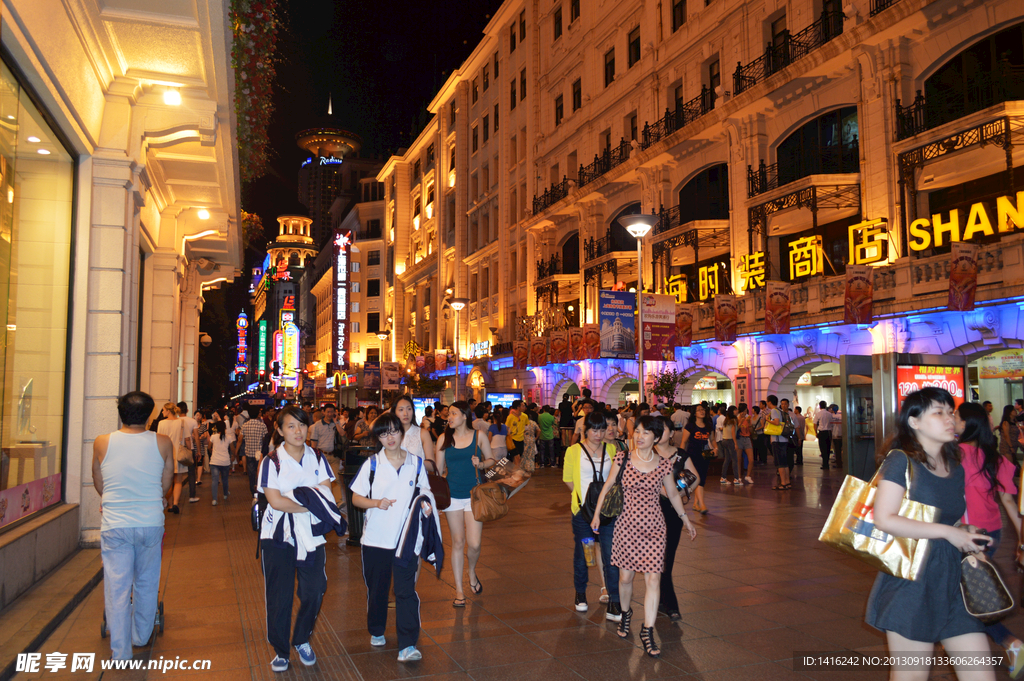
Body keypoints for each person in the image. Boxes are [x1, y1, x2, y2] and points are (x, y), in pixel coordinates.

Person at [866, 388, 996, 681]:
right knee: (912, 676)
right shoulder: (901, 460)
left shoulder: (956, 466)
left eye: (951, 412)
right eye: (938, 412)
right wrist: (948, 533)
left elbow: (948, 520)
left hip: (955, 579)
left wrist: (964, 532)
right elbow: (884, 518)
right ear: (914, 421)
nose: (950, 418)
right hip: (913, 582)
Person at [590, 416, 696, 658]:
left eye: (645, 432)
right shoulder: (623, 458)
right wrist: (596, 515)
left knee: (653, 580)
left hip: (654, 528)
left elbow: (672, 493)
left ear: (656, 438)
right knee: (625, 579)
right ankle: (626, 614)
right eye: (637, 431)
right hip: (626, 527)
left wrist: (685, 519)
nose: (639, 436)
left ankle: (647, 630)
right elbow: (607, 486)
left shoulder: (663, 464)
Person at [92, 391, 174, 660]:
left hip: (115, 524)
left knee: (117, 586)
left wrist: (113, 499)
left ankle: (120, 650)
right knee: (147, 582)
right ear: (150, 414)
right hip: (150, 521)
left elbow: (99, 481)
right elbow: (166, 483)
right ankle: (141, 636)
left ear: (121, 413)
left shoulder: (102, 442)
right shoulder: (162, 443)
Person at [351, 412, 436, 663]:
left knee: (405, 591)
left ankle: (407, 644)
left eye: (394, 431)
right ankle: (377, 629)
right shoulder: (373, 464)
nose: (390, 437)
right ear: (378, 437)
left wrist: (427, 505)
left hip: (405, 540)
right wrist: (376, 502)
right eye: (383, 433)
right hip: (376, 540)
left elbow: (426, 491)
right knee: (377, 590)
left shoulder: (416, 463)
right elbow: (356, 498)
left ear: (402, 432)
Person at [257, 406, 336, 672]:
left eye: (302, 425)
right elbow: (275, 501)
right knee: (279, 596)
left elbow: (326, 490)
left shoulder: (317, 456)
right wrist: (310, 502)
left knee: (315, 590)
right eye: (290, 426)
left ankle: (301, 638)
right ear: (279, 431)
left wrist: (305, 497)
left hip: (311, 535)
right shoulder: (271, 461)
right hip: (277, 536)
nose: (298, 431)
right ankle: (280, 650)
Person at [955, 402, 1024, 677]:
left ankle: (1011, 643)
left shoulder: (956, 453)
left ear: (968, 424)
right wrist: (1021, 540)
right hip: (991, 532)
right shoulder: (994, 457)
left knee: (967, 598)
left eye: (956, 417)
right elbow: (1009, 501)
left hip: (968, 534)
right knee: (970, 593)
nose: (953, 421)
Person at [435, 401, 496, 608]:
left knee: (475, 543)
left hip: (474, 496)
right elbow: (439, 471)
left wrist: (481, 464)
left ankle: (471, 571)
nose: (449, 417)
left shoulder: (478, 436)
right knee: (458, 542)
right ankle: (459, 591)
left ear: (464, 415)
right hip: (452, 496)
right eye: (448, 414)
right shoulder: (444, 439)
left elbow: (492, 460)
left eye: (453, 414)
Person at [563, 411, 621, 621]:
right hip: (582, 514)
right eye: (594, 429)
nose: (599, 434)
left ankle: (614, 601)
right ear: (585, 430)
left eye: (602, 429)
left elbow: (615, 479)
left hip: (607, 512)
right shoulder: (573, 451)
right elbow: (568, 480)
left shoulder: (612, 449)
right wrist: (583, 501)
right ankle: (580, 593)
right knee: (584, 553)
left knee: (610, 555)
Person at [654, 414, 698, 621]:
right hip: (648, 512)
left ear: (671, 433)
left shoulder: (681, 455)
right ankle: (668, 602)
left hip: (672, 512)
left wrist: (680, 494)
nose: (657, 432)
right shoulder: (645, 453)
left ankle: (664, 598)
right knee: (655, 559)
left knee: (667, 558)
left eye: (662, 429)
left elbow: (695, 477)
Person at [309, 403, 350, 506]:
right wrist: (314, 457)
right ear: (323, 412)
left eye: (332, 412)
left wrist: (336, 422)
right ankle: (325, 501)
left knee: (336, 479)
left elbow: (342, 434)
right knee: (322, 480)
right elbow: (313, 443)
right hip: (322, 456)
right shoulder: (317, 425)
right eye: (328, 412)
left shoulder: (336, 423)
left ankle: (339, 502)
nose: (330, 414)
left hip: (334, 455)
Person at [679, 404, 714, 513]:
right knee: (698, 479)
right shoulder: (690, 426)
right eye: (699, 410)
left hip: (705, 455)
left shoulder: (708, 425)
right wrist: (681, 456)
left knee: (702, 479)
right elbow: (684, 442)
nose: (702, 412)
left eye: (703, 410)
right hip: (693, 455)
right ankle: (702, 505)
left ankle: (695, 504)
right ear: (694, 413)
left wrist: (716, 448)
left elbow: (712, 440)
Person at [157, 403, 189, 514]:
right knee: (178, 481)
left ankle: (170, 505)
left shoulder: (161, 423)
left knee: (168, 481)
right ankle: (175, 503)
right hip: (178, 454)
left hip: (166, 455)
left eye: (163, 410)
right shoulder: (181, 422)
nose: (162, 412)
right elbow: (187, 438)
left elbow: (159, 440)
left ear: (168, 411)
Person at [766, 396, 792, 490]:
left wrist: (767, 420)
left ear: (769, 402)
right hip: (783, 439)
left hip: (777, 440)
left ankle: (783, 483)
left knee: (779, 462)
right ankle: (787, 482)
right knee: (784, 462)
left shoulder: (773, 411)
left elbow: (776, 422)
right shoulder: (780, 411)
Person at [176, 402, 199, 504]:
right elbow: (196, 437)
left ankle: (174, 497)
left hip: (176, 449)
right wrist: (198, 450)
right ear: (187, 410)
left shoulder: (175, 421)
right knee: (191, 472)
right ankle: (192, 495)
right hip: (189, 449)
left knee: (175, 473)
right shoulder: (193, 421)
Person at [208, 420, 235, 505]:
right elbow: (232, 449)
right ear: (225, 427)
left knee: (214, 480)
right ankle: (225, 494)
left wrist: (212, 451)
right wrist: (233, 455)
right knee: (225, 479)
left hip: (214, 461)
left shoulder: (213, 436)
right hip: (225, 461)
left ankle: (214, 500)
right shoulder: (229, 437)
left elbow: (209, 447)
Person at [718, 406, 741, 485]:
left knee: (727, 460)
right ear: (733, 411)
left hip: (724, 440)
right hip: (730, 440)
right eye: (736, 410)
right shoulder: (734, 419)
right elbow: (733, 432)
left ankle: (723, 477)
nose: (737, 411)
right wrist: (735, 443)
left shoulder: (726, 419)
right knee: (735, 460)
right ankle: (736, 479)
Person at [736, 403, 755, 484]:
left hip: (747, 439)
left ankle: (748, 476)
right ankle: (739, 477)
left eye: (745, 411)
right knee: (738, 459)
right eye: (743, 411)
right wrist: (741, 421)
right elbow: (735, 430)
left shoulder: (748, 418)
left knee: (751, 459)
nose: (744, 413)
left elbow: (751, 431)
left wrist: (749, 423)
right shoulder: (737, 418)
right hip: (739, 439)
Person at [814, 400, 833, 470]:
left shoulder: (818, 414)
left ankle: (824, 463)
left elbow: (815, 424)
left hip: (821, 433)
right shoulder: (829, 414)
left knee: (822, 448)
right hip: (828, 432)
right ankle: (826, 463)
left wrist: (816, 433)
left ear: (819, 406)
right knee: (828, 448)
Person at [830, 403, 844, 468]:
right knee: (842, 450)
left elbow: (831, 426)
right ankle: (842, 462)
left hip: (835, 435)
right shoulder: (842, 415)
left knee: (837, 450)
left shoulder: (832, 416)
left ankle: (839, 463)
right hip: (842, 435)